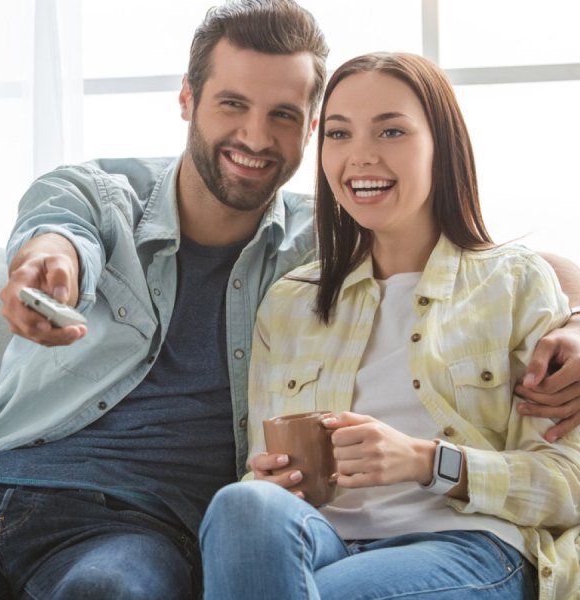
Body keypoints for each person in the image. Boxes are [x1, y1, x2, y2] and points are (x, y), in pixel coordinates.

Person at [0, 1, 580, 598]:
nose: (255, 135)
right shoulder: (110, 196)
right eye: (231, 104)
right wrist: (48, 263)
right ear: (187, 99)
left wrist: (574, 322)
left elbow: (479, 257)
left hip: (137, 525)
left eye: (285, 114)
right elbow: (58, 228)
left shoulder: (327, 244)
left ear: (307, 129)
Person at [199, 52, 580, 600]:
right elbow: (264, 480)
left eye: (392, 131)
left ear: (440, 146)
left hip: (464, 543)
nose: (361, 157)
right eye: (338, 133)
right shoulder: (290, 303)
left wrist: (428, 462)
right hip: (322, 539)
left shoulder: (514, 284)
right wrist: (269, 480)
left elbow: (568, 481)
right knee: (242, 503)